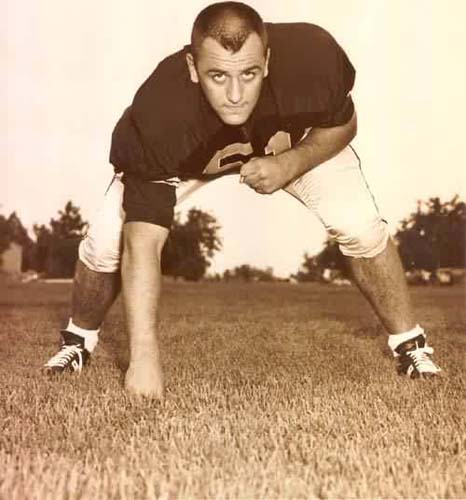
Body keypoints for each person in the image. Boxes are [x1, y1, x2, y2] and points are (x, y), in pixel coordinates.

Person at [44, 2, 441, 396]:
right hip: (189, 162)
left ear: (268, 61)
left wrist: (289, 163)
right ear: (191, 68)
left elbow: (343, 124)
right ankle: (78, 340)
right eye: (217, 75)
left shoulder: (312, 58)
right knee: (105, 241)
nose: (235, 94)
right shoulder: (160, 113)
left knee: (360, 227)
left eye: (249, 73)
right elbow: (142, 242)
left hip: (292, 147)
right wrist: (144, 358)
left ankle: (410, 344)